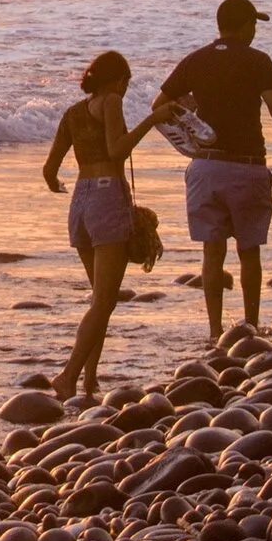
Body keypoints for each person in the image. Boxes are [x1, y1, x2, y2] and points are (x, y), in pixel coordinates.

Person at [155, 0, 272, 342]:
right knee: (249, 252)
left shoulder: (195, 60)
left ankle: (215, 332)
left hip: (205, 168)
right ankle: (249, 327)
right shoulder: (258, 61)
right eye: (254, 24)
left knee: (212, 253)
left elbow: (160, 107)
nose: (256, 30)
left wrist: (191, 125)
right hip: (246, 166)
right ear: (244, 26)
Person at [41, 51, 178, 399]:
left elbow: (50, 171)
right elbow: (117, 151)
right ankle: (68, 376)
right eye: (126, 83)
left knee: (100, 302)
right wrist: (153, 119)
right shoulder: (112, 100)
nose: (125, 90)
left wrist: (60, 184)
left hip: (80, 203)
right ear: (117, 80)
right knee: (104, 301)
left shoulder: (72, 112)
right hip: (107, 197)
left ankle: (89, 381)